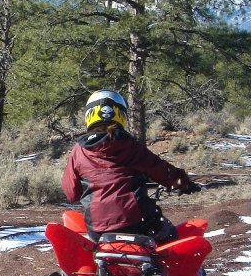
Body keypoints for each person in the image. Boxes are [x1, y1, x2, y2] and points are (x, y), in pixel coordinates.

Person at [62, 90, 200, 243]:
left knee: (93, 254)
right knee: (171, 237)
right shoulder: (130, 144)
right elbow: (159, 169)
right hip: (138, 221)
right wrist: (184, 183)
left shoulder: (78, 150)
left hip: (97, 227)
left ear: (89, 115)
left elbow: (71, 193)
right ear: (120, 114)